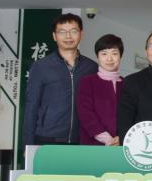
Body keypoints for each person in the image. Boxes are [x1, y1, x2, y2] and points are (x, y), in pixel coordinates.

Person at [22, 13, 97, 146]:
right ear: (54, 36)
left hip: (82, 139)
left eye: (73, 31)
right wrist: (27, 145)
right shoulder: (41, 66)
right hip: (47, 139)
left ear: (81, 34)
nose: (68, 36)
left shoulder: (92, 67)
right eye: (62, 32)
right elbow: (31, 106)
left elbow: (99, 106)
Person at [77, 34, 125, 145]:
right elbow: (85, 113)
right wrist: (107, 139)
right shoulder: (87, 82)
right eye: (104, 54)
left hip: (121, 145)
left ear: (120, 56)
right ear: (97, 57)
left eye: (114, 53)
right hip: (93, 145)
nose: (109, 58)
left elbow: (131, 115)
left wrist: (122, 136)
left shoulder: (127, 84)